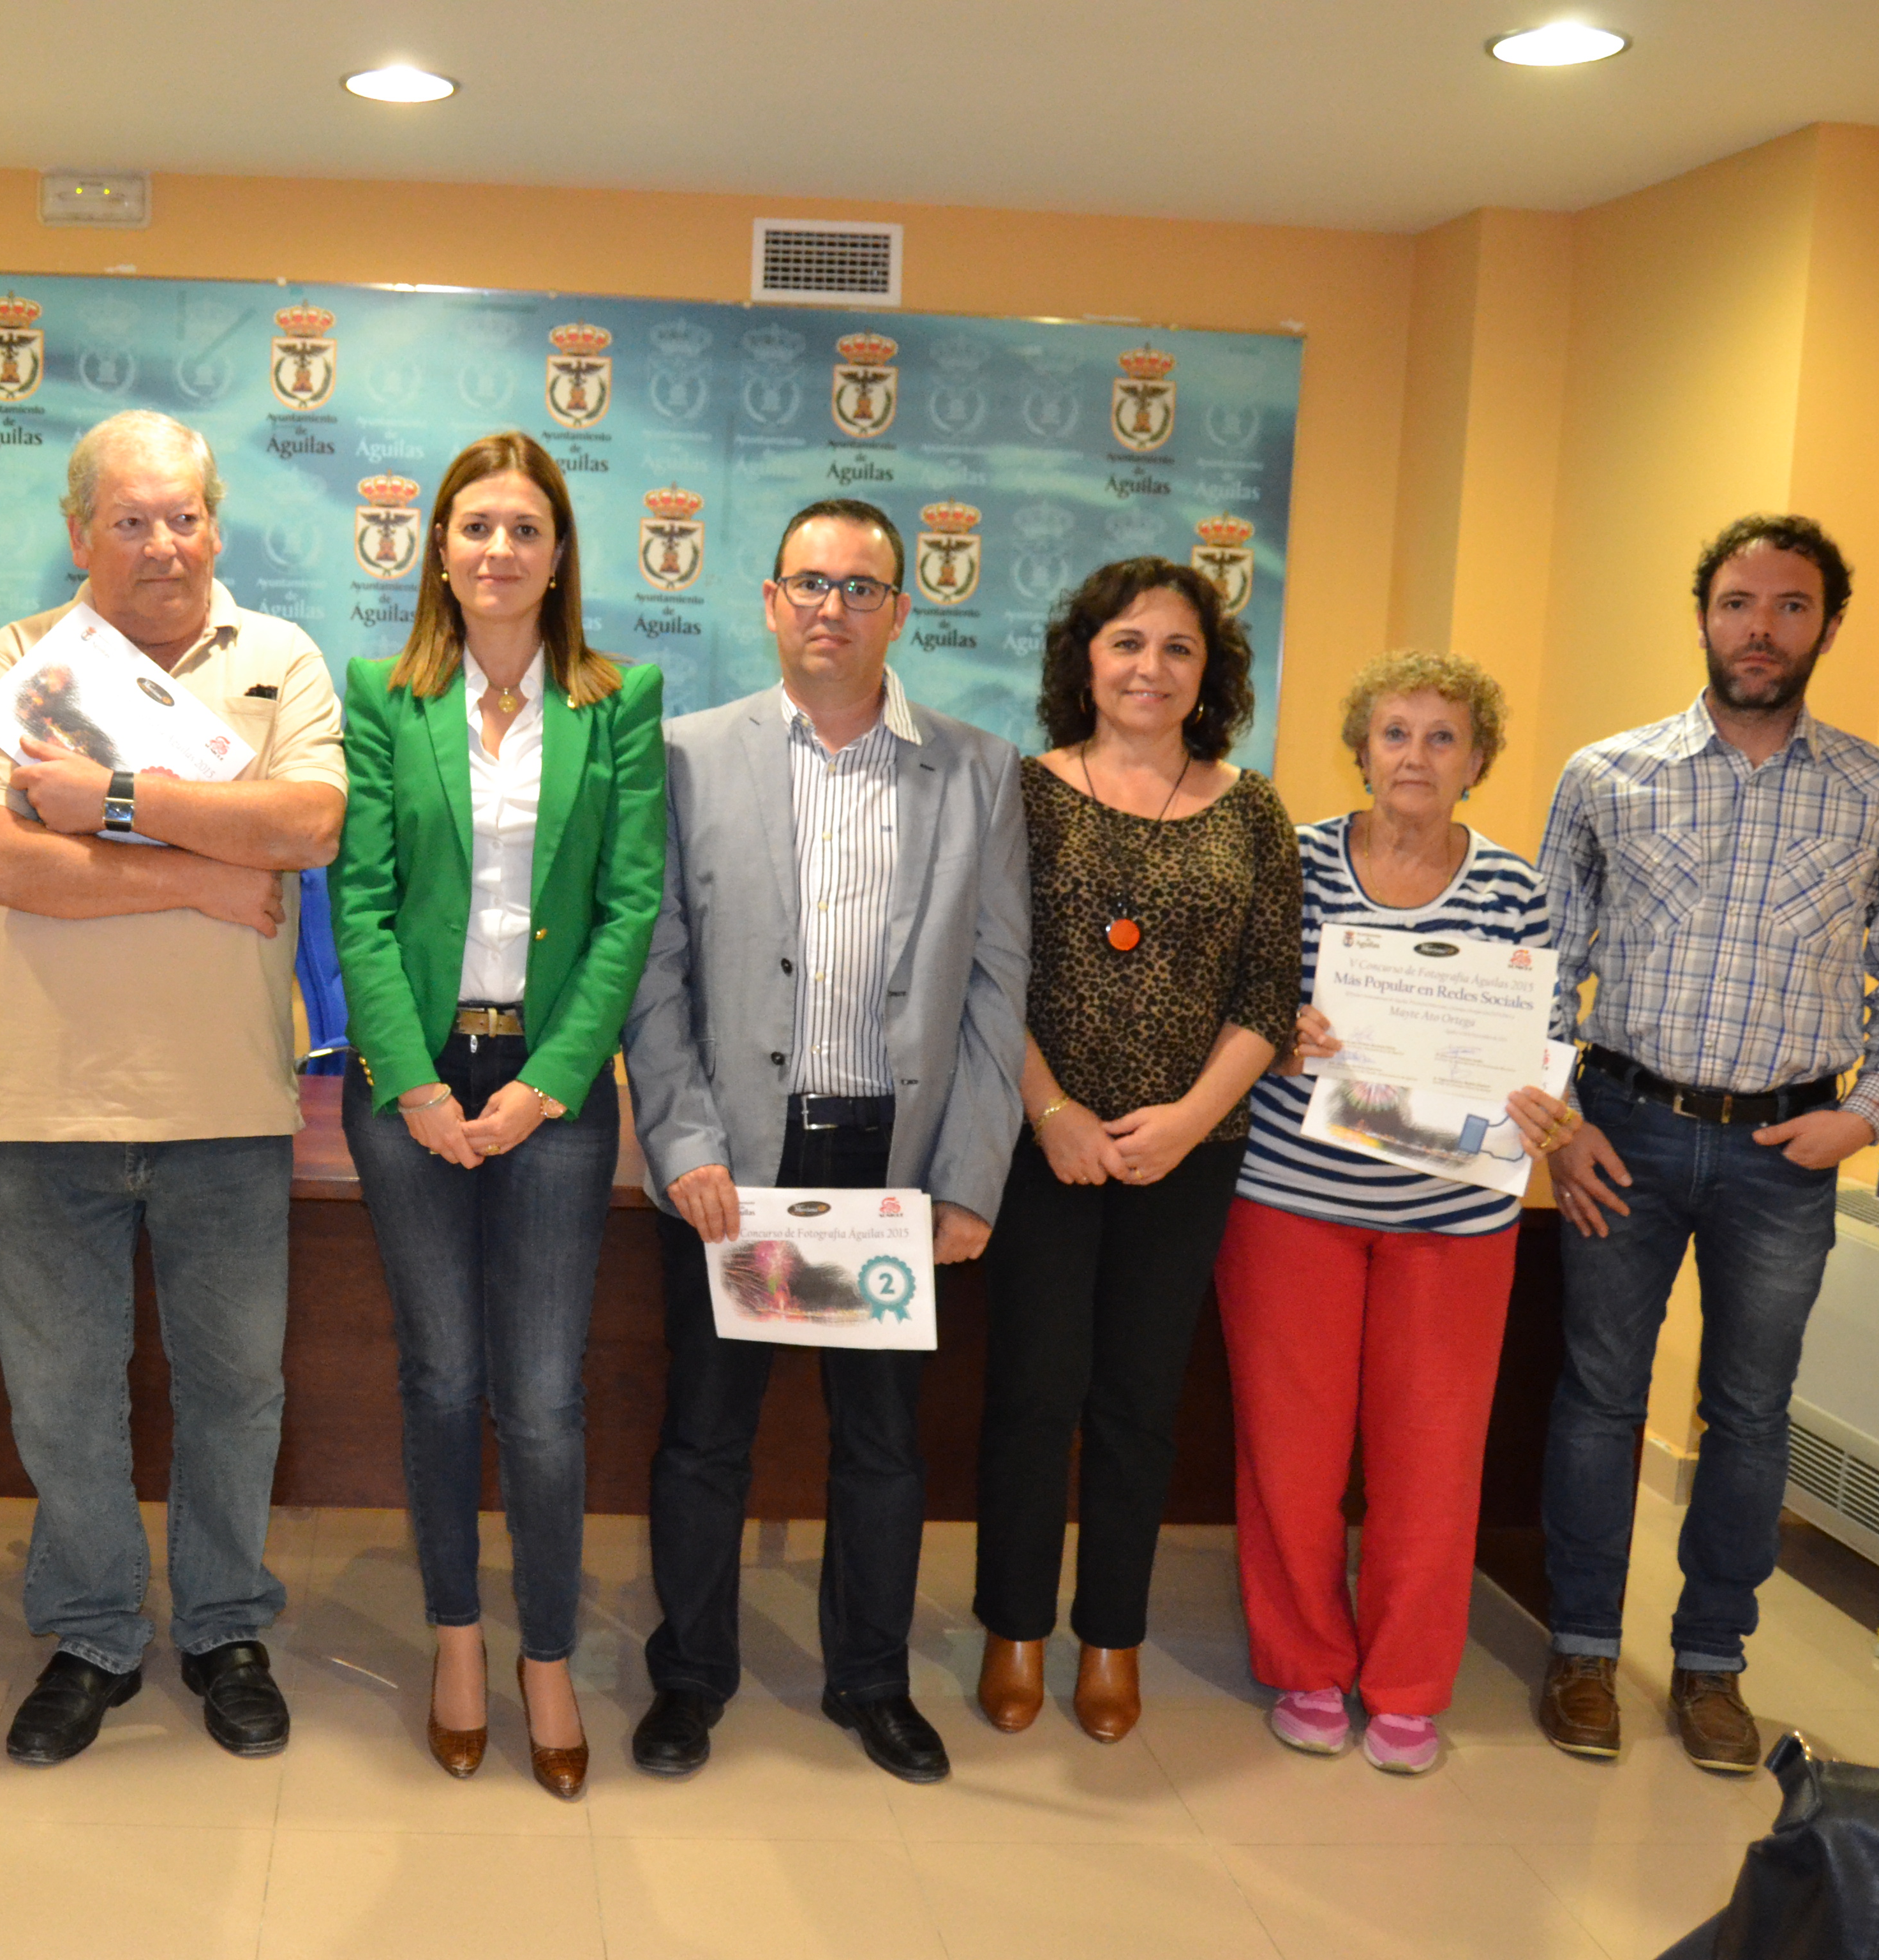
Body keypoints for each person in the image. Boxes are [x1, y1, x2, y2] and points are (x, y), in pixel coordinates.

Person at [0, 411, 347, 1767]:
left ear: (217, 525)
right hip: (51, 1112)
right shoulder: (19, 661)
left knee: (238, 1390)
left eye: (184, 516)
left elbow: (305, 825)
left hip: (231, 1110)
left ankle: (226, 1624)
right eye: (132, 520)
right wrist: (201, 869)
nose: (164, 543)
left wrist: (109, 800)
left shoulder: (279, 656)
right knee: (64, 1398)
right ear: (80, 534)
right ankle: (94, 1634)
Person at [1535, 515, 1879, 1774]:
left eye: (1788, 606)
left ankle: (1714, 1665)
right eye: (1735, 603)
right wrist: (1557, 1124)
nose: (1758, 629)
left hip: (1789, 1153)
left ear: (1826, 623)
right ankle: (1583, 1650)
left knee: (1751, 1416)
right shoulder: (1607, 774)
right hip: (1622, 1131)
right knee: (1600, 1400)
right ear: (1702, 614)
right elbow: (1548, 966)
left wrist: (1867, 1117)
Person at [624, 498, 1030, 1785]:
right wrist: (682, 1138)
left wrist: (968, 1178)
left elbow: (997, 991)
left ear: (901, 611)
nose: (832, 607)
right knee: (705, 1433)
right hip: (738, 1164)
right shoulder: (689, 756)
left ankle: (869, 1681)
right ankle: (689, 1677)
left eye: (862, 588)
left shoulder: (977, 770)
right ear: (767, 599)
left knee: (882, 1443)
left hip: (885, 1170)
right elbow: (656, 969)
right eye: (809, 581)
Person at [329, 433, 666, 1799]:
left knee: (539, 1399)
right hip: (411, 1081)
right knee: (440, 1378)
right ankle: (456, 1642)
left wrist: (549, 1083)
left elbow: (631, 904)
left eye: (525, 529)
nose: (499, 551)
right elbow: (356, 895)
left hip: (555, 1089)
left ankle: (546, 1658)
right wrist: (412, 1082)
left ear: (559, 551)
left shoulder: (618, 698)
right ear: (442, 549)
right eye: (477, 527)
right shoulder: (381, 692)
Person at [1217, 651, 1568, 1775]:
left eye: (1442, 737)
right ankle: (1308, 1667)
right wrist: (1285, 1031)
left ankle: (1409, 1685)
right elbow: (1233, 998)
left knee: (1433, 1459)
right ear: (1360, 747)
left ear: (1477, 761)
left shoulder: (1515, 886)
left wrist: (1541, 1099)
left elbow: (1547, 1035)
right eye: (1395, 733)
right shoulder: (1296, 863)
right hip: (1292, 1202)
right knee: (1291, 1452)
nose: (1415, 756)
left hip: (1456, 1218)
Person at [972, 556, 1300, 1746]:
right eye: (1127, 643)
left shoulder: (1253, 809)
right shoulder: (1020, 791)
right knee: (1031, 1394)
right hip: (1037, 1141)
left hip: (1189, 1155)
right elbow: (983, 970)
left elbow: (1269, 991)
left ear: (1209, 674)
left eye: (1177, 648)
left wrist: (1189, 1122)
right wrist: (1052, 1109)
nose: (1150, 668)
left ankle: (1110, 1636)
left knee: (1138, 1405)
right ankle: (1014, 1627)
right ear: (1085, 661)